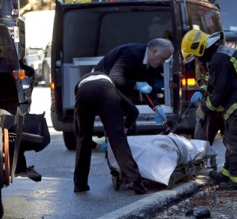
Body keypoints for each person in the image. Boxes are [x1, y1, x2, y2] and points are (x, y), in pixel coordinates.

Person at [72, 38, 174, 195]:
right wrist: (136, 85)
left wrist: (156, 108)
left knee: (83, 137)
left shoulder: (151, 64)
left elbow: (149, 89)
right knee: (118, 137)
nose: (162, 63)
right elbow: (115, 77)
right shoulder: (132, 53)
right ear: (154, 51)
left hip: (86, 89)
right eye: (163, 58)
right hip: (107, 87)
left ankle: (80, 184)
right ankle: (133, 179)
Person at [181, 30, 237, 190]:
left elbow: (220, 90)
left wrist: (204, 109)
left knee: (236, 141)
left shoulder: (218, 59)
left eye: (195, 56)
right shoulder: (219, 54)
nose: (197, 60)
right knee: (231, 139)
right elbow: (214, 82)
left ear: (199, 49)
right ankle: (231, 173)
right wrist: (204, 92)